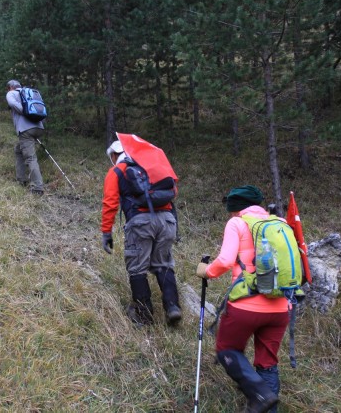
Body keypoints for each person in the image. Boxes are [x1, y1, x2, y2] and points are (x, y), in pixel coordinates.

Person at [195, 185, 286, 413]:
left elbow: (225, 261)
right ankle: (266, 402)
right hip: (281, 307)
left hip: (246, 305)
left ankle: (260, 394)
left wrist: (206, 271)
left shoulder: (237, 223)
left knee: (227, 349)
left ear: (236, 208)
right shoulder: (280, 224)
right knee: (267, 363)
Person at [101, 140, 182, 326]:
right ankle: (172, 308)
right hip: (167, 221)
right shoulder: (152, 164)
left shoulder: (118, 170)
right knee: (163, 264)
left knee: (137, 268)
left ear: (114, 155)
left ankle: (144, 317)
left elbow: (110, 202)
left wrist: (106, 232)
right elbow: (173, 190)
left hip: (140, 223)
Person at [5, 79, 44, 194]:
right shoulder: (31, 94)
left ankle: (37, 187)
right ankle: (21, 179)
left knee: (30, 157)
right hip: (39, 127)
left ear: (10, 87)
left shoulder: (11, 93)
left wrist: (24, 111)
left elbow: (11, 103)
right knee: (18, 149)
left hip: (26, 130)